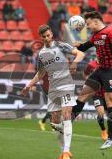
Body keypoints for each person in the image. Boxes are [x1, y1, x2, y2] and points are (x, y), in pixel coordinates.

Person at [22, 24, 85, 159]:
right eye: (44, 36)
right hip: (53, 89)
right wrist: (29, 85)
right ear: (41, 38)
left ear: (51, 34)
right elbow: (40, 73)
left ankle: (67, 152)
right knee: (55, 123)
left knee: (67, 114)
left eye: (48, 35)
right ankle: (63, 151)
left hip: (66, 84)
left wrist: (75, 62)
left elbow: (80, 53)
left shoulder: (61, 46)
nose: (47, 38)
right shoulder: (42, 54)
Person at [71, 11, 112, 149]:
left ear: (96, 21)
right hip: (100, 70)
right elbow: (85, 46)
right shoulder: (95, 36)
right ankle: (67, 123)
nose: (87, 27)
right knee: (83, 94)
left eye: (88, 24)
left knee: (110, 101)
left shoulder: (110, 32)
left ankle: (111, 139)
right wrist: (77, 45)